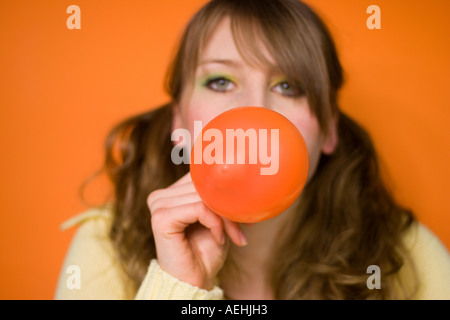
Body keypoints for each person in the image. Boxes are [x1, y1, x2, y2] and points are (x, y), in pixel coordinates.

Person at [55, 0, 450, 300]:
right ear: (179, 123)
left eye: (288, 86)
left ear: (329, 128)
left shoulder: (408, 255)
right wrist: (179, 287)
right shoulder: (107, 242)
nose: (254, 110)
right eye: (221, 81)